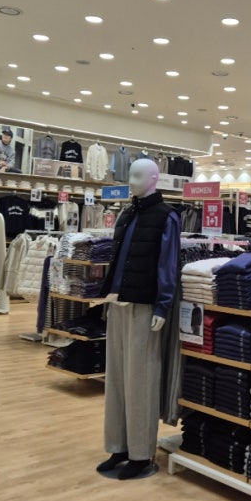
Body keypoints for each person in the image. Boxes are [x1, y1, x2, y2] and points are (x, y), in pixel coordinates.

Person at [96, 158, 180, 480]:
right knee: (117, 379)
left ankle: (141, 454)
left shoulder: (166, 216)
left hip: (145, 306)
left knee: (140, 380)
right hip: (117, 302)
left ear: (154, 179)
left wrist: (163, 307)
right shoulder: (126, 213)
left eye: (138, 175)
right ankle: (118, 446)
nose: (131, 181)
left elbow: (168, 264)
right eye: (130, 175)